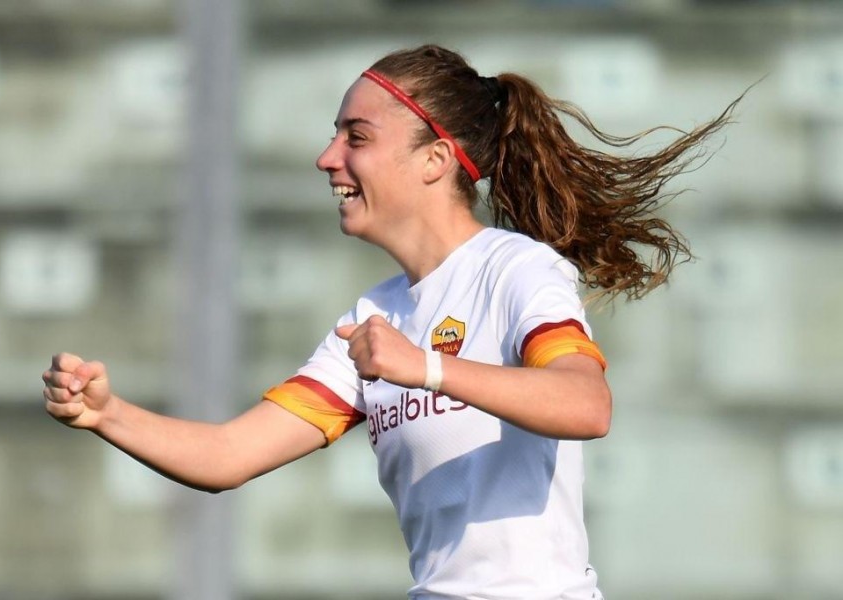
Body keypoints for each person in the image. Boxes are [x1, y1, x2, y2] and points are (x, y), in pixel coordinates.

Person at [43, 44, 738, 599]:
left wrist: (426, 367)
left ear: (435, 160)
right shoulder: (372, 315)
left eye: (357, 136)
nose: (328, 158)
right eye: (334, 135)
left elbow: (587, 404)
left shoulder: (515, 268)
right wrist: (108, 415)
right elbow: (229, 456)